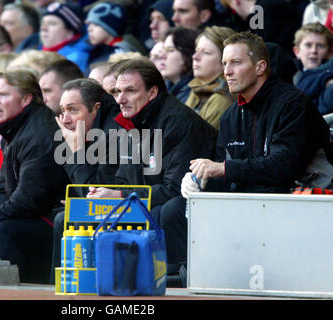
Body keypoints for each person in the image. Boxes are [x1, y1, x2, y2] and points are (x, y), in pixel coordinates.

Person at [160, 31, 331, 288]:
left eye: (236, 63)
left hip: (292, 202)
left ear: (260, 66)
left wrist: (222, 169)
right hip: (247, 201)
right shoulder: (231, 115)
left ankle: (202, 277)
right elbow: (225, 169)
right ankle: (186, 276)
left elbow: (283, 167)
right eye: (224, 64)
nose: (227, 71)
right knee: (173, 209)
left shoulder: (292, 104)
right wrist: (198, 181)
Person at [87, 58, 218, 211]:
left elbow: (173, 191)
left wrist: (119, 196)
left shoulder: (178, 122)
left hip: (193, 210)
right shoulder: (129, 122)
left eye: (130, 91)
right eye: (117, 92)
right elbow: (122, 181)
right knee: (70, 216)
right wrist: (102, 193)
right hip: (143, 205)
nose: (120, 100)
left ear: (152, 93)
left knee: (163, 211)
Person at [0, 69, 69, 283]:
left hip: (57, 222)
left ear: (26, 99)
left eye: (3, 95)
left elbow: (29, 199)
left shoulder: (38, 133)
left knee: (6, 229)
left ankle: (17, 294)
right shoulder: (18, 127)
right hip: (40, 215)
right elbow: (2, 188)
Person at [52, 78, 120, 274]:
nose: (65, 120)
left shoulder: (113, 133)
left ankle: (73, 284)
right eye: (62, 111)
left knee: (65, 218)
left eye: (73, 110)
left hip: (126, 207)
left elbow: (94, 192)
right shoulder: (84, 133)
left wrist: (77, 152)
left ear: (95, 108)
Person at [185, 25, 235, 129]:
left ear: (225, 62)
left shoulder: (221, 100)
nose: (195, 57)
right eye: (196, 50)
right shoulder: (198, 88)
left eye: (206, 53)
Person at [85, 2, 143, 72]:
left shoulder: (121, 53)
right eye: (89, 24)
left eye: (96, 24)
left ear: (110, 28)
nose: (89, 29)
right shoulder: (99, 50)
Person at [39, 1, 91, 72]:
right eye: (43, 23)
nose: (43, 28)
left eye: (52, 23)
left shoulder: (74, 60)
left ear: (70, 32)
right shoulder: (38, 52)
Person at [162, 27, 200, 104]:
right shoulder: (165, 91)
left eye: (170, 50)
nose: (163, 56)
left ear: (187, 55)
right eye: (164, 50)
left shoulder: (192, 95)